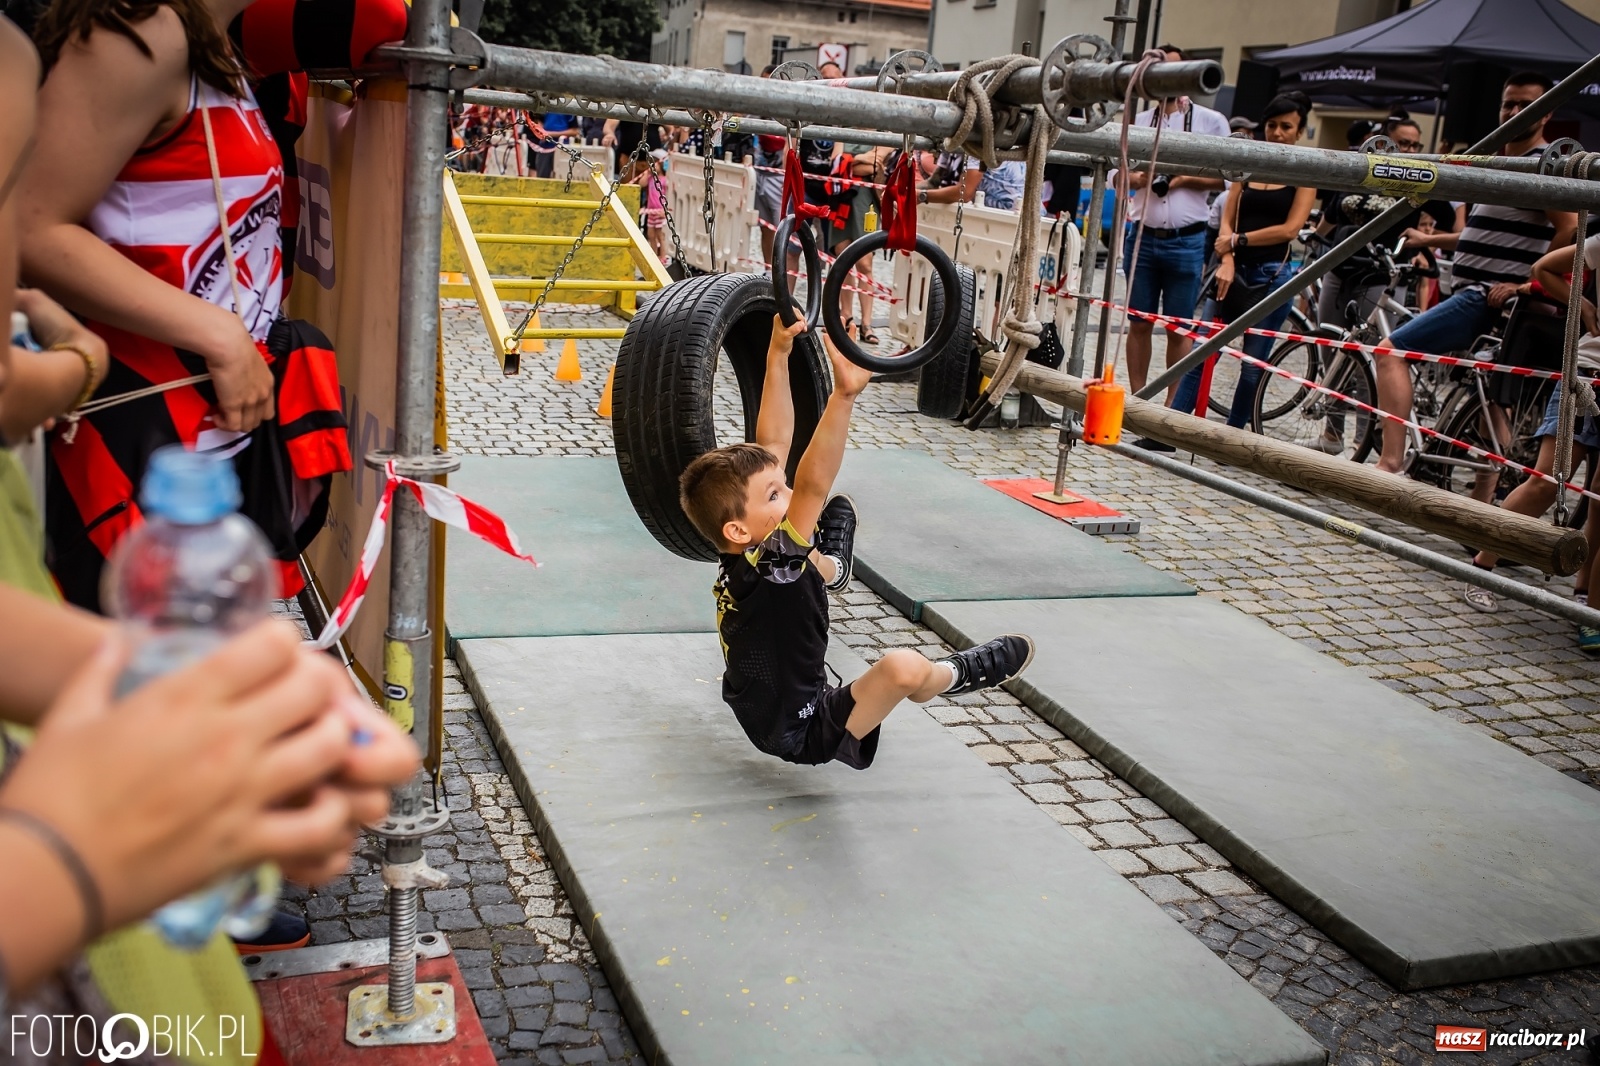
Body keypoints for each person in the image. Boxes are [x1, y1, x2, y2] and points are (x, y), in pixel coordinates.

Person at [677, 317, 1035, 770]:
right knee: (903, 668)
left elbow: (773, 443)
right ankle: (953, 675)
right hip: (804, 730)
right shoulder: (774, 564)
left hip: (759, 706)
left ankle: (831, 568)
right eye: (774, 495)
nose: (788, 493)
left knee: (798, 566)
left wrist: (778, 352)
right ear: (737, 529)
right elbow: (813, 485)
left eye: (782, 486)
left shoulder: (741, 552)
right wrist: (843, 397)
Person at [1372, 71, 1576, 475]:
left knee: (1391, 352)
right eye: (1508, 104)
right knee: (1489, 396)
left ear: (1546, 113)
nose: (1514, 112)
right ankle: (1488, 492)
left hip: (1484, 296)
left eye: (1526, 105)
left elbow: (1569, 229)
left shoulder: (1541, 165)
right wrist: (1430, 240)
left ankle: (1389, 462)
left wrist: (1528, 284)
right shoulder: (1501, 160)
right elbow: (1477, 234)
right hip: (1478, 292)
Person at [1462, 236, 1600, 647]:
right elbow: (1544, 268)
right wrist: (1582, 305)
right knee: (1545, 480)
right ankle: (1482, 567)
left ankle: (1589, 606)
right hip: (1587, 375)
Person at [1168, 92, 1317, 429]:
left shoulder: (1306, 173)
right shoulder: (1248, 163)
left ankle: (1231, 439)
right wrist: (1228, 256)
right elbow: (1227, 217)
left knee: (1252, 368)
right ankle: (1168, 430)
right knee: (1200, 354)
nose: (1277, 133)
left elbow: (1290, 229)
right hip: (1231, 270)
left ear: (1299, 131)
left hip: (1271, 277)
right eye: (1272, 125)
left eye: (1286, 127)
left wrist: (1238, 240)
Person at [1113, 45, 1230, 405]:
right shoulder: (1137, 121)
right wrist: (1138, 178)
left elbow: (1228, 179)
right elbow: (1115, 178)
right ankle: (1138, 402)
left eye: (1173, 71)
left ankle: (1171, 408)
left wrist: (1182, 179)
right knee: (1139, 323)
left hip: (1188, 240)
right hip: (1143, 236)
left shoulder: (1211, 122)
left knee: (1180, 329)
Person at [638, 149, 670, 263]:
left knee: (660, 235)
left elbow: (669, 195)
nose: (653, 165)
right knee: (651, 234)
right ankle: (654, 256)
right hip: (651, 210)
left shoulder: (665, 180)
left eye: (656, 162)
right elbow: (641, 184)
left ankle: (663, 256)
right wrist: (647, 173)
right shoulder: (651, 178)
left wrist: (666, 210)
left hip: (660, 210)